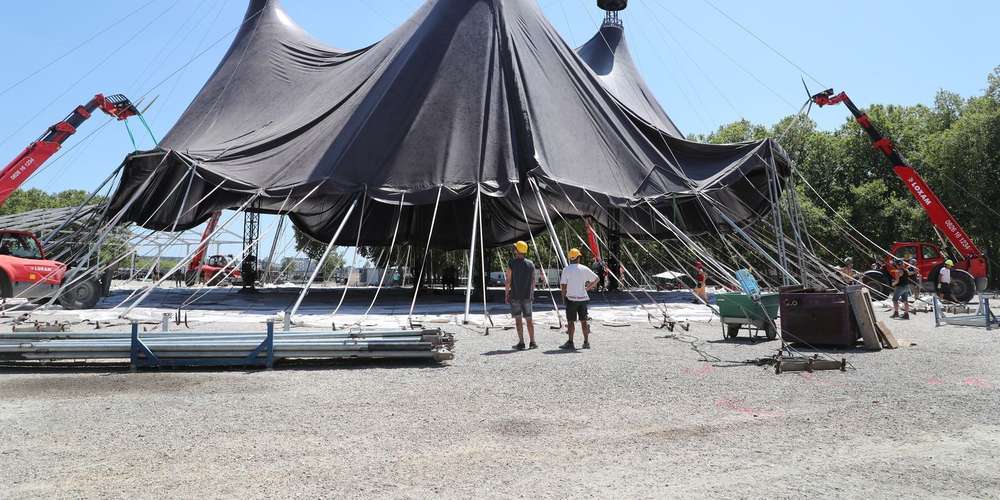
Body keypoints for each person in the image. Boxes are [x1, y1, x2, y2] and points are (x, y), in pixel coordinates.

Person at [559, 248, 599, 350]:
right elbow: (596, 279)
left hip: (571, 299)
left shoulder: (566, 270)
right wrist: (587, 288)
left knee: (571, 321)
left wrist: (563, 298)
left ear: (570, 258)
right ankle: (586, 342)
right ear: (578, 257)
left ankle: (571, 342)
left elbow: (563, 286)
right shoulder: (584, 268)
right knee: (583, 321)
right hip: (583, 299)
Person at [505, 241, 537, 350]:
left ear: (517, 251)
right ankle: (532, 342)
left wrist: (506, 294)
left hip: (515, 297)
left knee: (518, 320)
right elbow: (533, 281)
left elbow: (508, 280)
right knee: (529, 320)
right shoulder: (531, 264)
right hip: (527, 297)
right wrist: (532, 294)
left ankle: (522, 343)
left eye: (515, 248)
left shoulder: (511, 263)